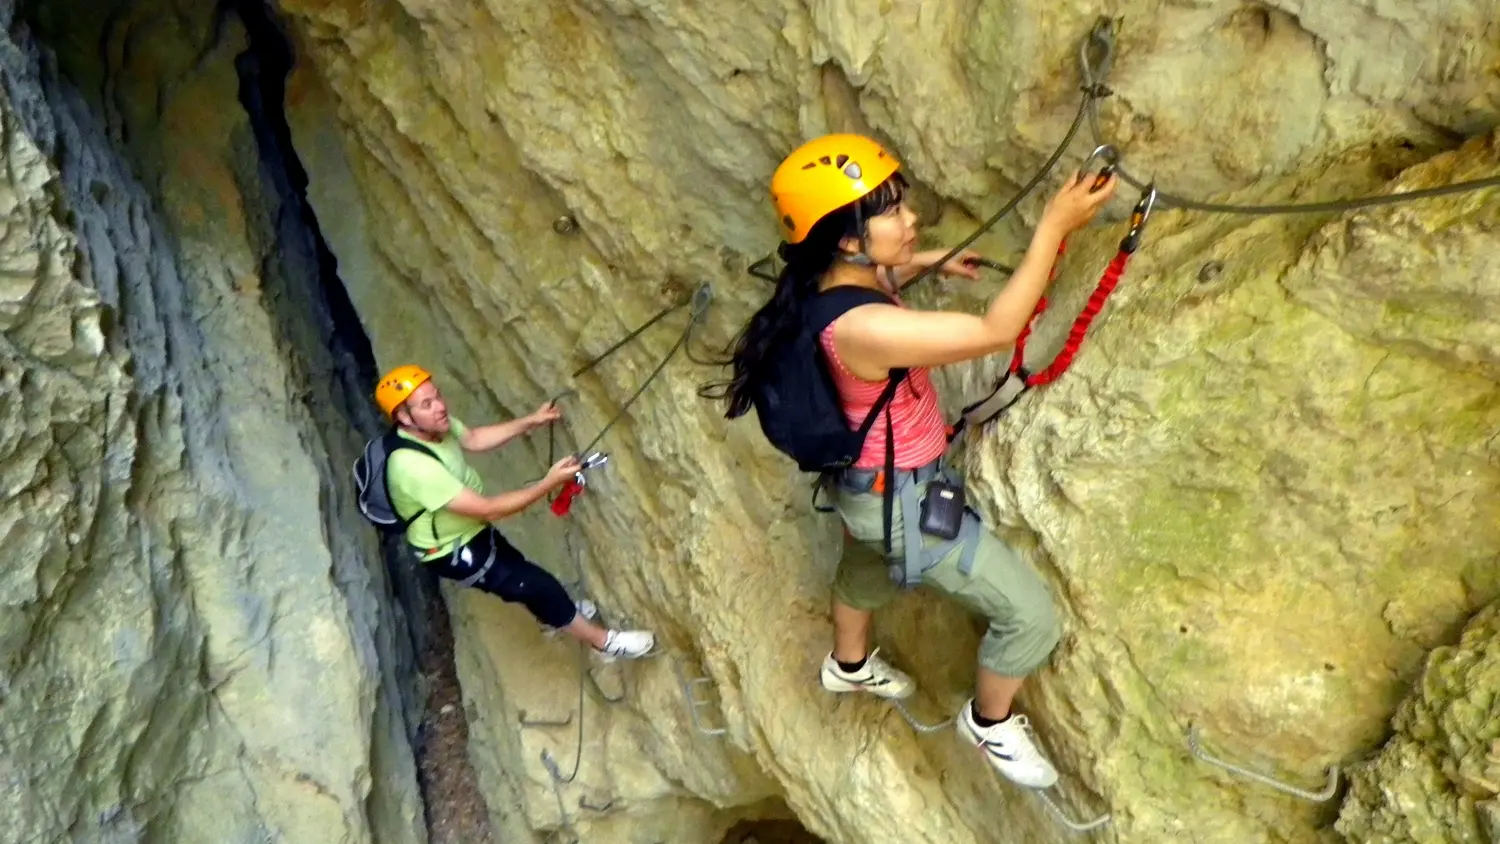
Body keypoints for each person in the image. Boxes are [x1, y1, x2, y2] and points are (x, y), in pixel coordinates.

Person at [706, 134, 1116, 788]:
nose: (910, 218)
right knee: (1031, 616)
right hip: (902, 500)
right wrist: (1053, 227)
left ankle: (846, 663)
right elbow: (994, 331)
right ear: (847, 240)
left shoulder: (823, 282)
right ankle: (988, 720)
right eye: (892, 213)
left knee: (864, 570)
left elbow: (881, 277)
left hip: (862, 489)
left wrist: (929, 260)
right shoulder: (864, 329)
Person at [373, 364, 656, 660]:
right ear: (404, 418)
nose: (440, 407)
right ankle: (605, 644)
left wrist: (530, 421)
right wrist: (549, 483)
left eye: (437, 396)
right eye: (427, 404)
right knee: (536, 584)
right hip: (449, 549)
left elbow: (473, 438)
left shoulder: (433, 427)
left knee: (516, 567)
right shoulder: (412, 467)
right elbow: (490, 508)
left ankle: (552, 615)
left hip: (468, 529)